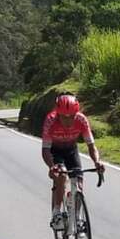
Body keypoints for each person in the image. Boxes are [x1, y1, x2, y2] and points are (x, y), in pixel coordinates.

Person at [41, 94, 105, 230]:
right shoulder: (50, 121)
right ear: (58, 114)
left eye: (72, 116)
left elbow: (91, 145)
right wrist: (52, 166)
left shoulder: (81, 120)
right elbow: (45, 150)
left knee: (79, 181)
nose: (68, 120)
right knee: (62, 176)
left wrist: (97, 162)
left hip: (71, 150)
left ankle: (76, 217)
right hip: (55, 151)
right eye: (64, 117)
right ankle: (57, 212)